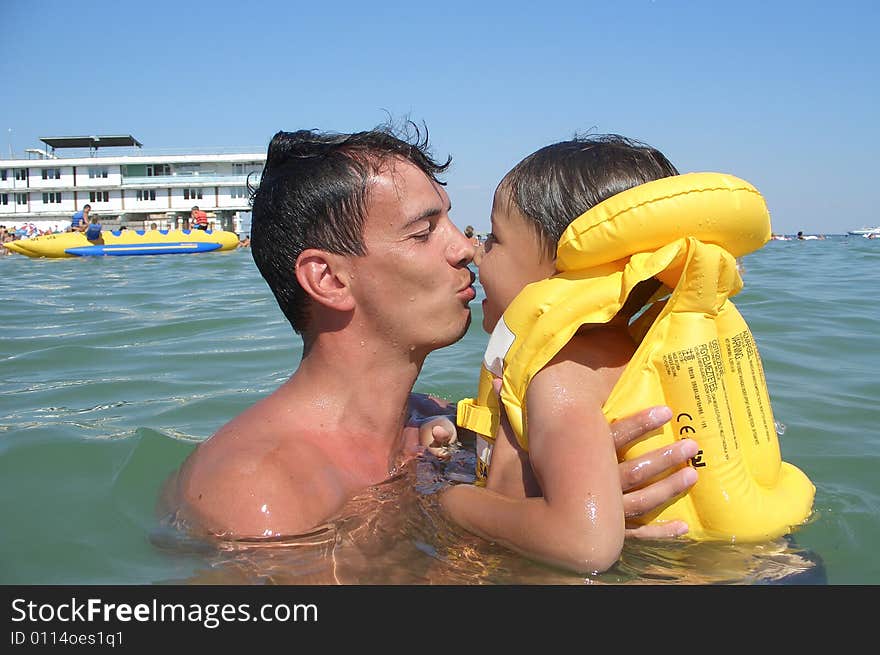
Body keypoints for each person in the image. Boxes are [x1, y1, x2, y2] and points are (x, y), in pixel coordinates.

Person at [161, 126, 697, 544]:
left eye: (452, 221)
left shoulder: (439, 426)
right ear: (328, 279)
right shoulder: (257, 490)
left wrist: (567, 493)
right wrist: (553, 527)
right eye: (423, 232)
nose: (466, 248)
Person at [421, 135, 700, 574]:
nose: (476, 250)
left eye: (495, 238)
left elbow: (584, 543)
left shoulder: (559, 374)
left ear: (565, 272)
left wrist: (452, 502)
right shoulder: (622, 350)